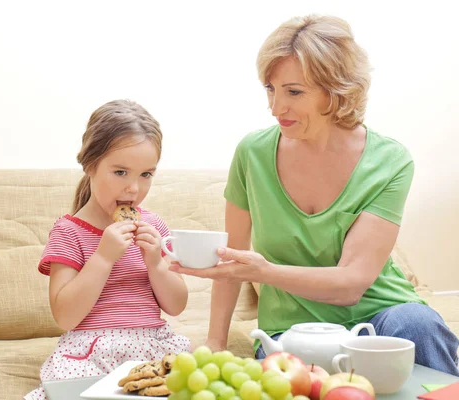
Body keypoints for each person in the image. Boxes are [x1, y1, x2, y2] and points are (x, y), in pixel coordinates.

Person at [169, 15, 459, 376]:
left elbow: (351, 283)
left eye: (294, 92)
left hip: (382, 315)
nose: (276, 108)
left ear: (337, 90)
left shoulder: (390, 161)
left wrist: (266, 272)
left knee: (418, 326)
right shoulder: (253, 153)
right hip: (290, 329)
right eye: (270, 89)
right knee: (291, 368)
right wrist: (216, 341)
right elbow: (230, 262)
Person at [25, 100, 190, 400]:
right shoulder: (69, 232)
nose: (134, 189)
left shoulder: (154, 227)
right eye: (120, 172)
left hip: (153, 347)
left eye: (146, 175)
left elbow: (177, 305)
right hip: (90, 353)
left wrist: (156, 264)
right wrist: (103, 258)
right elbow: (65, 317)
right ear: (90, 164)